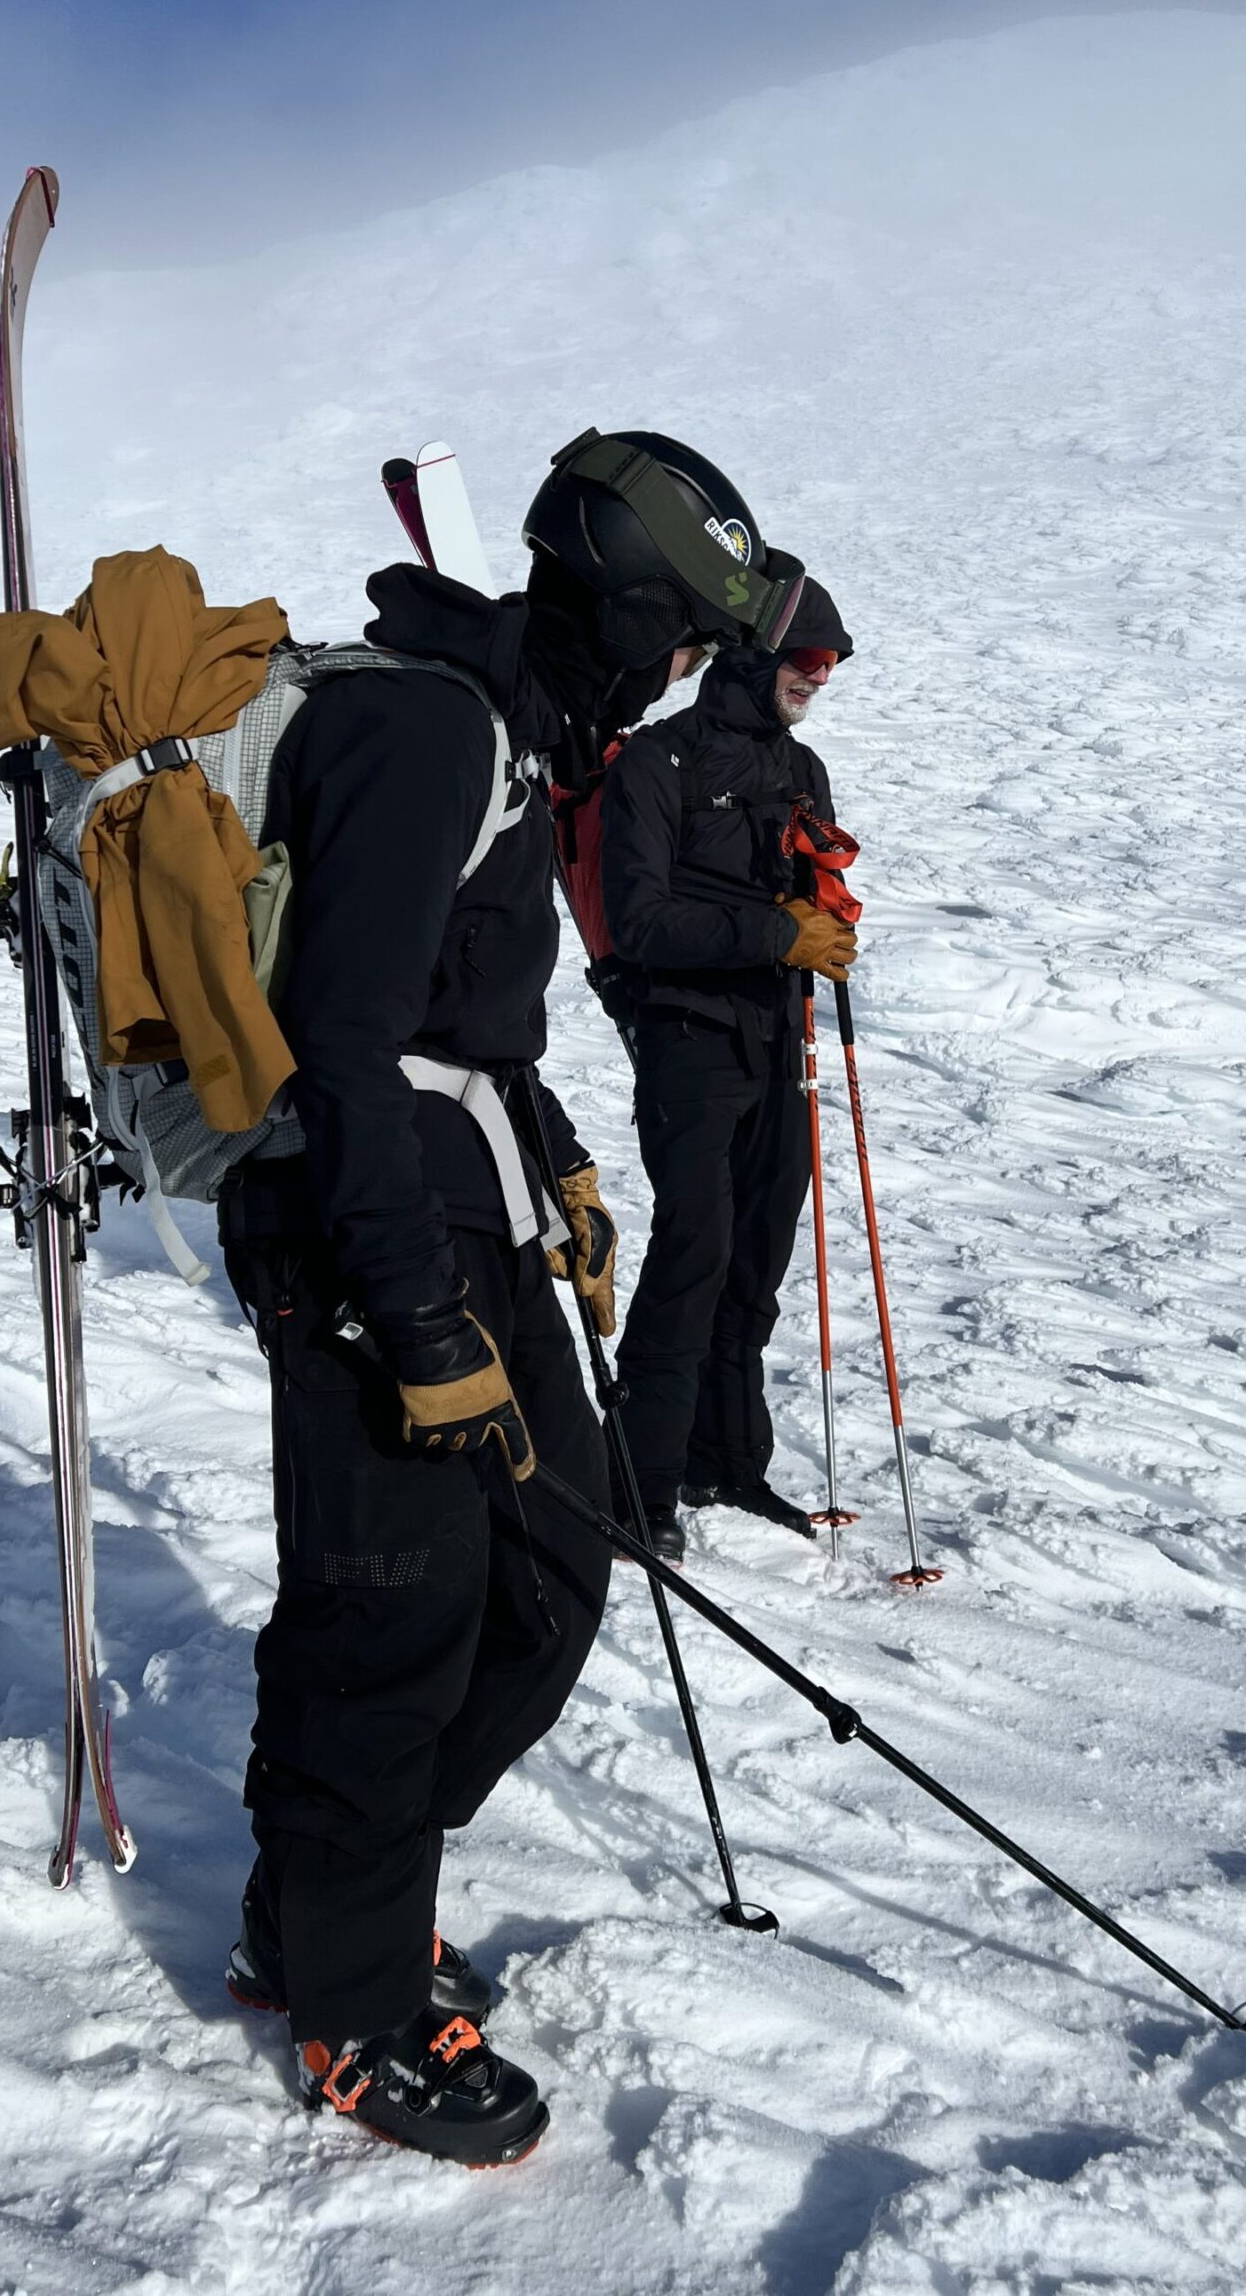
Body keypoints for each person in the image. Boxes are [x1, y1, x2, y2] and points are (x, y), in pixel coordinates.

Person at [215, 425, 808, 2165]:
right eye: (679, 636)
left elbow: (462, 1016)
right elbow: (341, 1035)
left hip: (461, 1201)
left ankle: (329, 1893)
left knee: (555, 1570)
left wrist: (554, 1162)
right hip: (362, 1221)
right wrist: (411, 1312)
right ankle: (347, 2003)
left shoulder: (510, 738)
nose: (683, 671)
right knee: (389, 1612)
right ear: (620, 609)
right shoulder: (426, 728)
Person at [599, 579, 857, 1555]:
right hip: (687, 1040)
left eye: (830, 664)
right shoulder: (655, 764)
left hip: (778, 1038)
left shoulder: (803, 771)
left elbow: (809, 902)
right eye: (807, 658)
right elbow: (640, 922)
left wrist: (828, 919)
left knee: (757, 1257)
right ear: (753, 654)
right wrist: (778, 934)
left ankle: (726, 1462)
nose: (818, 678)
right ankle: (639, 1485)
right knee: (694, 1254)